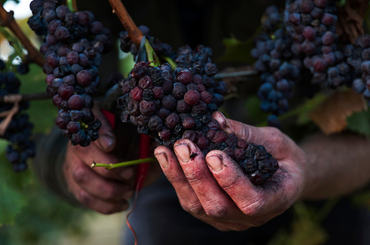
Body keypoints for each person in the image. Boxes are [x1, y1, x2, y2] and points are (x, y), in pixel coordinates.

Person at [32, 0, 370, 244]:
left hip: (334, 181)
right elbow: (74, 96)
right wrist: (68, 158)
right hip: (172, 188)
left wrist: (308, 168)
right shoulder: (76, 10)